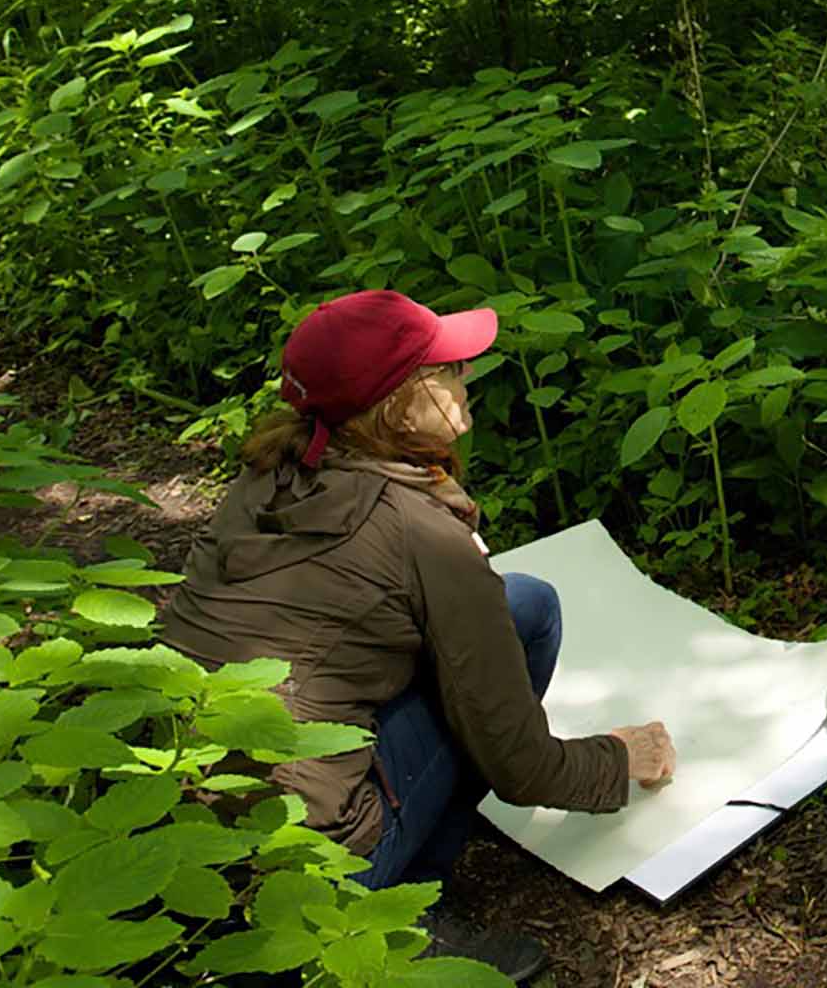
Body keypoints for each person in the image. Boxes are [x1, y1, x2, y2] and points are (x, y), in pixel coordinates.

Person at [162, 289, 677, 982]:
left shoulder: (262, 479)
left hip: (174, 840)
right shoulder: (422, 536)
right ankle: (397, 920)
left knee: (519, 603)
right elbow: (518, 767)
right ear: (397, 405)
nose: (465, 379)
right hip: (311, 876)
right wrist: (616, 760)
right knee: (528, 620)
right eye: (445, 370)